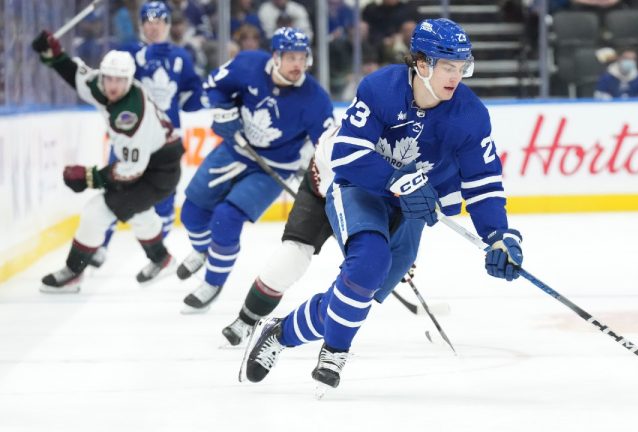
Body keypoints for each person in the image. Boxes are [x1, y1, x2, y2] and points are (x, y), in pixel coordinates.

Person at [239, 18, 524, 392]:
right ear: (421, 63)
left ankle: (280, 334)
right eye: (447, 66)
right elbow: (346, 153)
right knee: (367, 266)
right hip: (362, 190)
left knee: (356, 295)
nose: (456, 77)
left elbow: (483, 182)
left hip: (414, 209)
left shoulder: (471, 115)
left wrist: (500, 235)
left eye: (462, 67)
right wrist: (396, 179)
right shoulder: (381, 88)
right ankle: (335, 352)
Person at [177, 27, 334, 313]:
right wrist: (223, 110)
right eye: (291, 57)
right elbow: (213, 86)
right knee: (191, 213)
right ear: (275, 57)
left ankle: (212, 283)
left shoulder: (315, 99)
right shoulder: (247, 64)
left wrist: (318, 170)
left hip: (273, 168)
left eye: (302, 58)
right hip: (233, 149)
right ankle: (202, 250)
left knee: (226, 218)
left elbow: (327, 146)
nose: (298, 64)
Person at [220, 126, 416, 347]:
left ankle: (323, 327)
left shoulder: (407, 147)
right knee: (292, 256)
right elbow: (338, 188)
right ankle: (246, 319)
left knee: (365, 272)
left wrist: (394, 249)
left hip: (369, 204)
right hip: (322, 195)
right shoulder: (343, 140)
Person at [31, 32, 184, 293]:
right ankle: (163, 260)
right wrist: (54, 55)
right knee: (136, 209)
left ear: (129, 80)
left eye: (120, 80)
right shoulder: (101, 84)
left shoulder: (130, 116)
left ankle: (73, 272)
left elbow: (130, 170)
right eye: (109, 78)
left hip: (160, 170)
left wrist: (88, 177)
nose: (112, 85)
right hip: (151, 159)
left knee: (97, 210)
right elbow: (78, 77)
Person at [91, 1, 207, 268]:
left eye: (159, 22)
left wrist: (205, 94)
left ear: (167, 25)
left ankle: (157, 255)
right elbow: (110, 88)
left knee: (164, 196)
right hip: (129, 136)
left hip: (165, 140)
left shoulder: (180, 57)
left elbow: (190, 98)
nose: (154, 27)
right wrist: (144, 57)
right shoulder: (127, 54)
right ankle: (100, 246)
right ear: (141, 25)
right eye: (148, 22)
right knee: (114, 187)